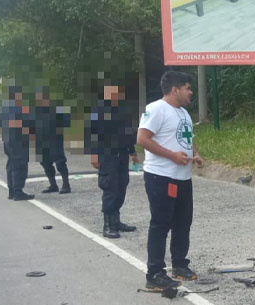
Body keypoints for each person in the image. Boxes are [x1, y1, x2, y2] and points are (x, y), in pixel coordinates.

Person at [136, 71, 204, 291]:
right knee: (160, 224)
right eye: (187, 88)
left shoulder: (183, 113)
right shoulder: (156, 109)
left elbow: (187, 138)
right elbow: (142, 139)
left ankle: (180, 265)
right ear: (175, 89)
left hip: (182, 177)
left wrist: (195, 154)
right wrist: (172, 156)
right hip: (161, 176)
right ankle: (155, 274)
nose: (190, 92)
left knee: (183, 222)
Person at [84, 83, 140, 238]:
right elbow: (91, 134)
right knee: (110, 188)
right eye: (113, 92)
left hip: (122, 154)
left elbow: (128, 133)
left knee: (122, 186)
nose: (116, 95)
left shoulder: (123, 111)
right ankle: (107, 225)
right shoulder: (98, 111)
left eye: (118, 92)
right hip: (106, 154)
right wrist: (93, 155)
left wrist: (133, 152)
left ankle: (116, 221)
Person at [34, 87, 72, 194]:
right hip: (41, 140)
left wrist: (59, 130)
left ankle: (66, 184)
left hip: (55, 139)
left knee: (60, 162)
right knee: (45, 163)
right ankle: (53, 185)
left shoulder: (58, 108)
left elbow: (67, 120)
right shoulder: (36, 110)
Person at [0, 86, 34, 201]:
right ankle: (18, 192)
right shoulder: (19, 108)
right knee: (20, 165)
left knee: (11, 164)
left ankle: (12, 191)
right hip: (18, 140)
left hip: (8, 140)